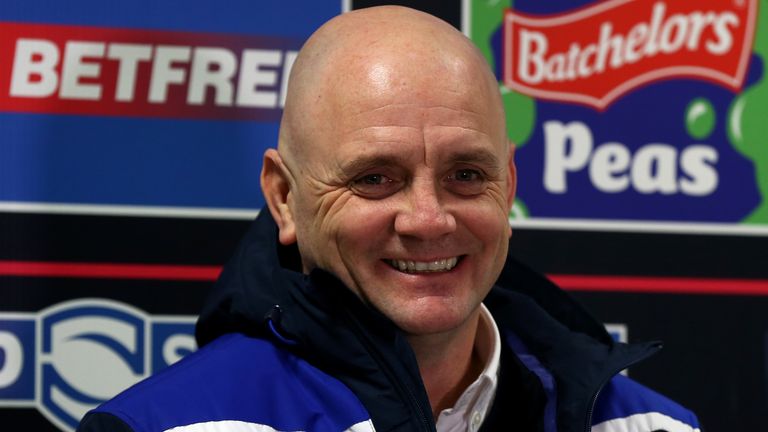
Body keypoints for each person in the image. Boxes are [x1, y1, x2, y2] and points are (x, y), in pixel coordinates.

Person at [78, 6, 700, 432]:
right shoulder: (168, 425)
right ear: (283, 198)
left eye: (466, 175)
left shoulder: (647, 425)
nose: (428, 221)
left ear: (508, 185)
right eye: (374, 179)